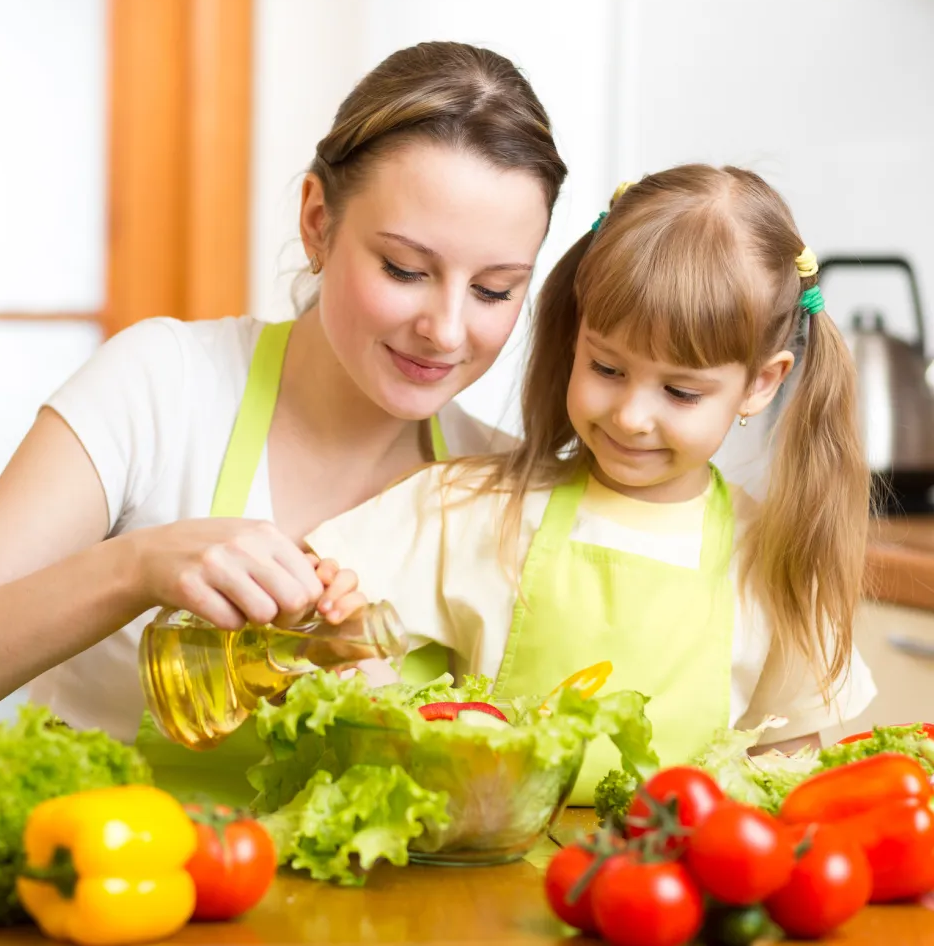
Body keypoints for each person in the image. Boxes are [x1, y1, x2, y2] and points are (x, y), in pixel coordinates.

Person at [0, 40, 567, 763]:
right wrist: (137, 569)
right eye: (406, 269)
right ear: (318, 221)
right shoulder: (162, 383)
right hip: (104, 869)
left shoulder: (502, 486)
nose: (444, 330)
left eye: (494, 290)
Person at [304, 164, 877, 805]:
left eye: (680, 391)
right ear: (576, 334)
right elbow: (318, 599)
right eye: (606, 367)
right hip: (485, 887)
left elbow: (788, 773)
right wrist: (351, 649)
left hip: (673, 892)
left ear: (761, 383)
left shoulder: (777, 562)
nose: (631, 416)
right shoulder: (472, 507)